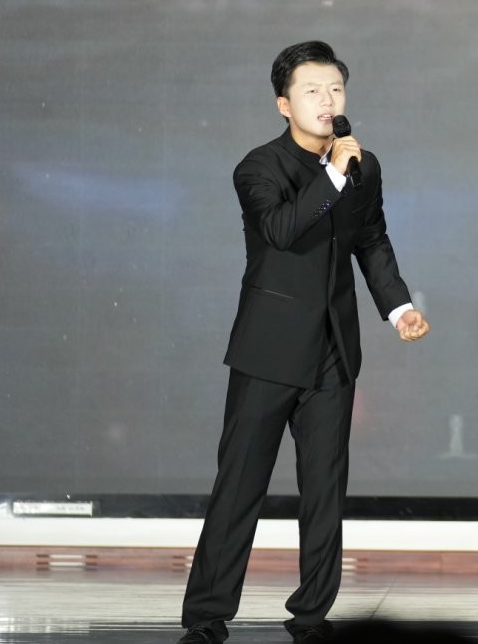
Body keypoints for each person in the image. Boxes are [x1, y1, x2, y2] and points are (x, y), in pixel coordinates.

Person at [179, 41, 432, 644]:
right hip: (267, 352)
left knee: (324, 491)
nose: (328, 101)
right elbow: (281, 231)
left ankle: (312, 615)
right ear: (283, 104)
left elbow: (371, 239)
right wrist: (333, 175)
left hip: (333, 351)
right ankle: (207, 616)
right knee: (239, 486)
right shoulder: (259, 168)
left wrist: (398, 307)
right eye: (312, 90)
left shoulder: (363, 166)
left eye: (336, 89)